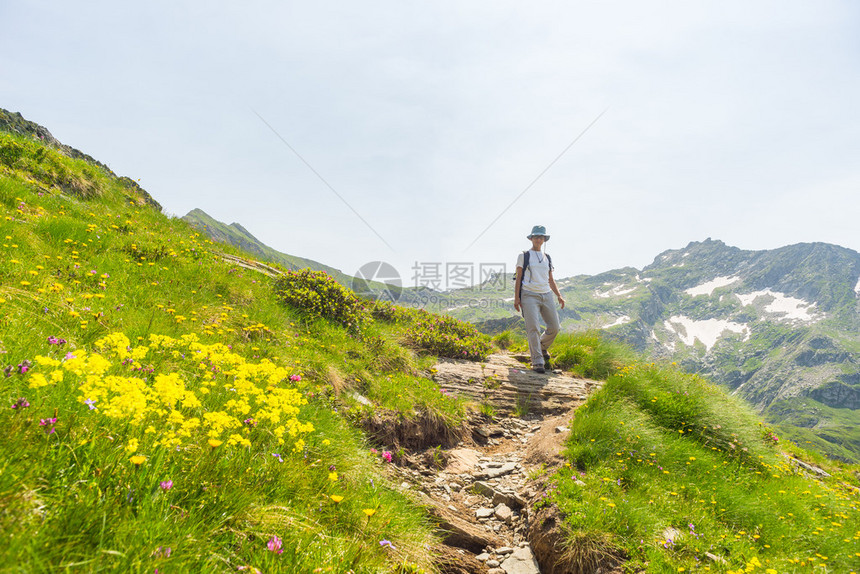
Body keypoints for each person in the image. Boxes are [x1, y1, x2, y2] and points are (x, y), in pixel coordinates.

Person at [513, 225, 565, 373]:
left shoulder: (547, 257)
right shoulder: (524, 255)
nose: (538, 239)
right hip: (529, 294)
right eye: (536, 236)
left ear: (544, 239)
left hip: (546, 294)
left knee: (554, 327)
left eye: (541, 237)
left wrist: (559, 296)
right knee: (533, 327)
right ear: (531, 238)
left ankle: (541, 347)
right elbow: (518, 278)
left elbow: (550, 279)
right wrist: (517, 298)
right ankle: (537, 361)